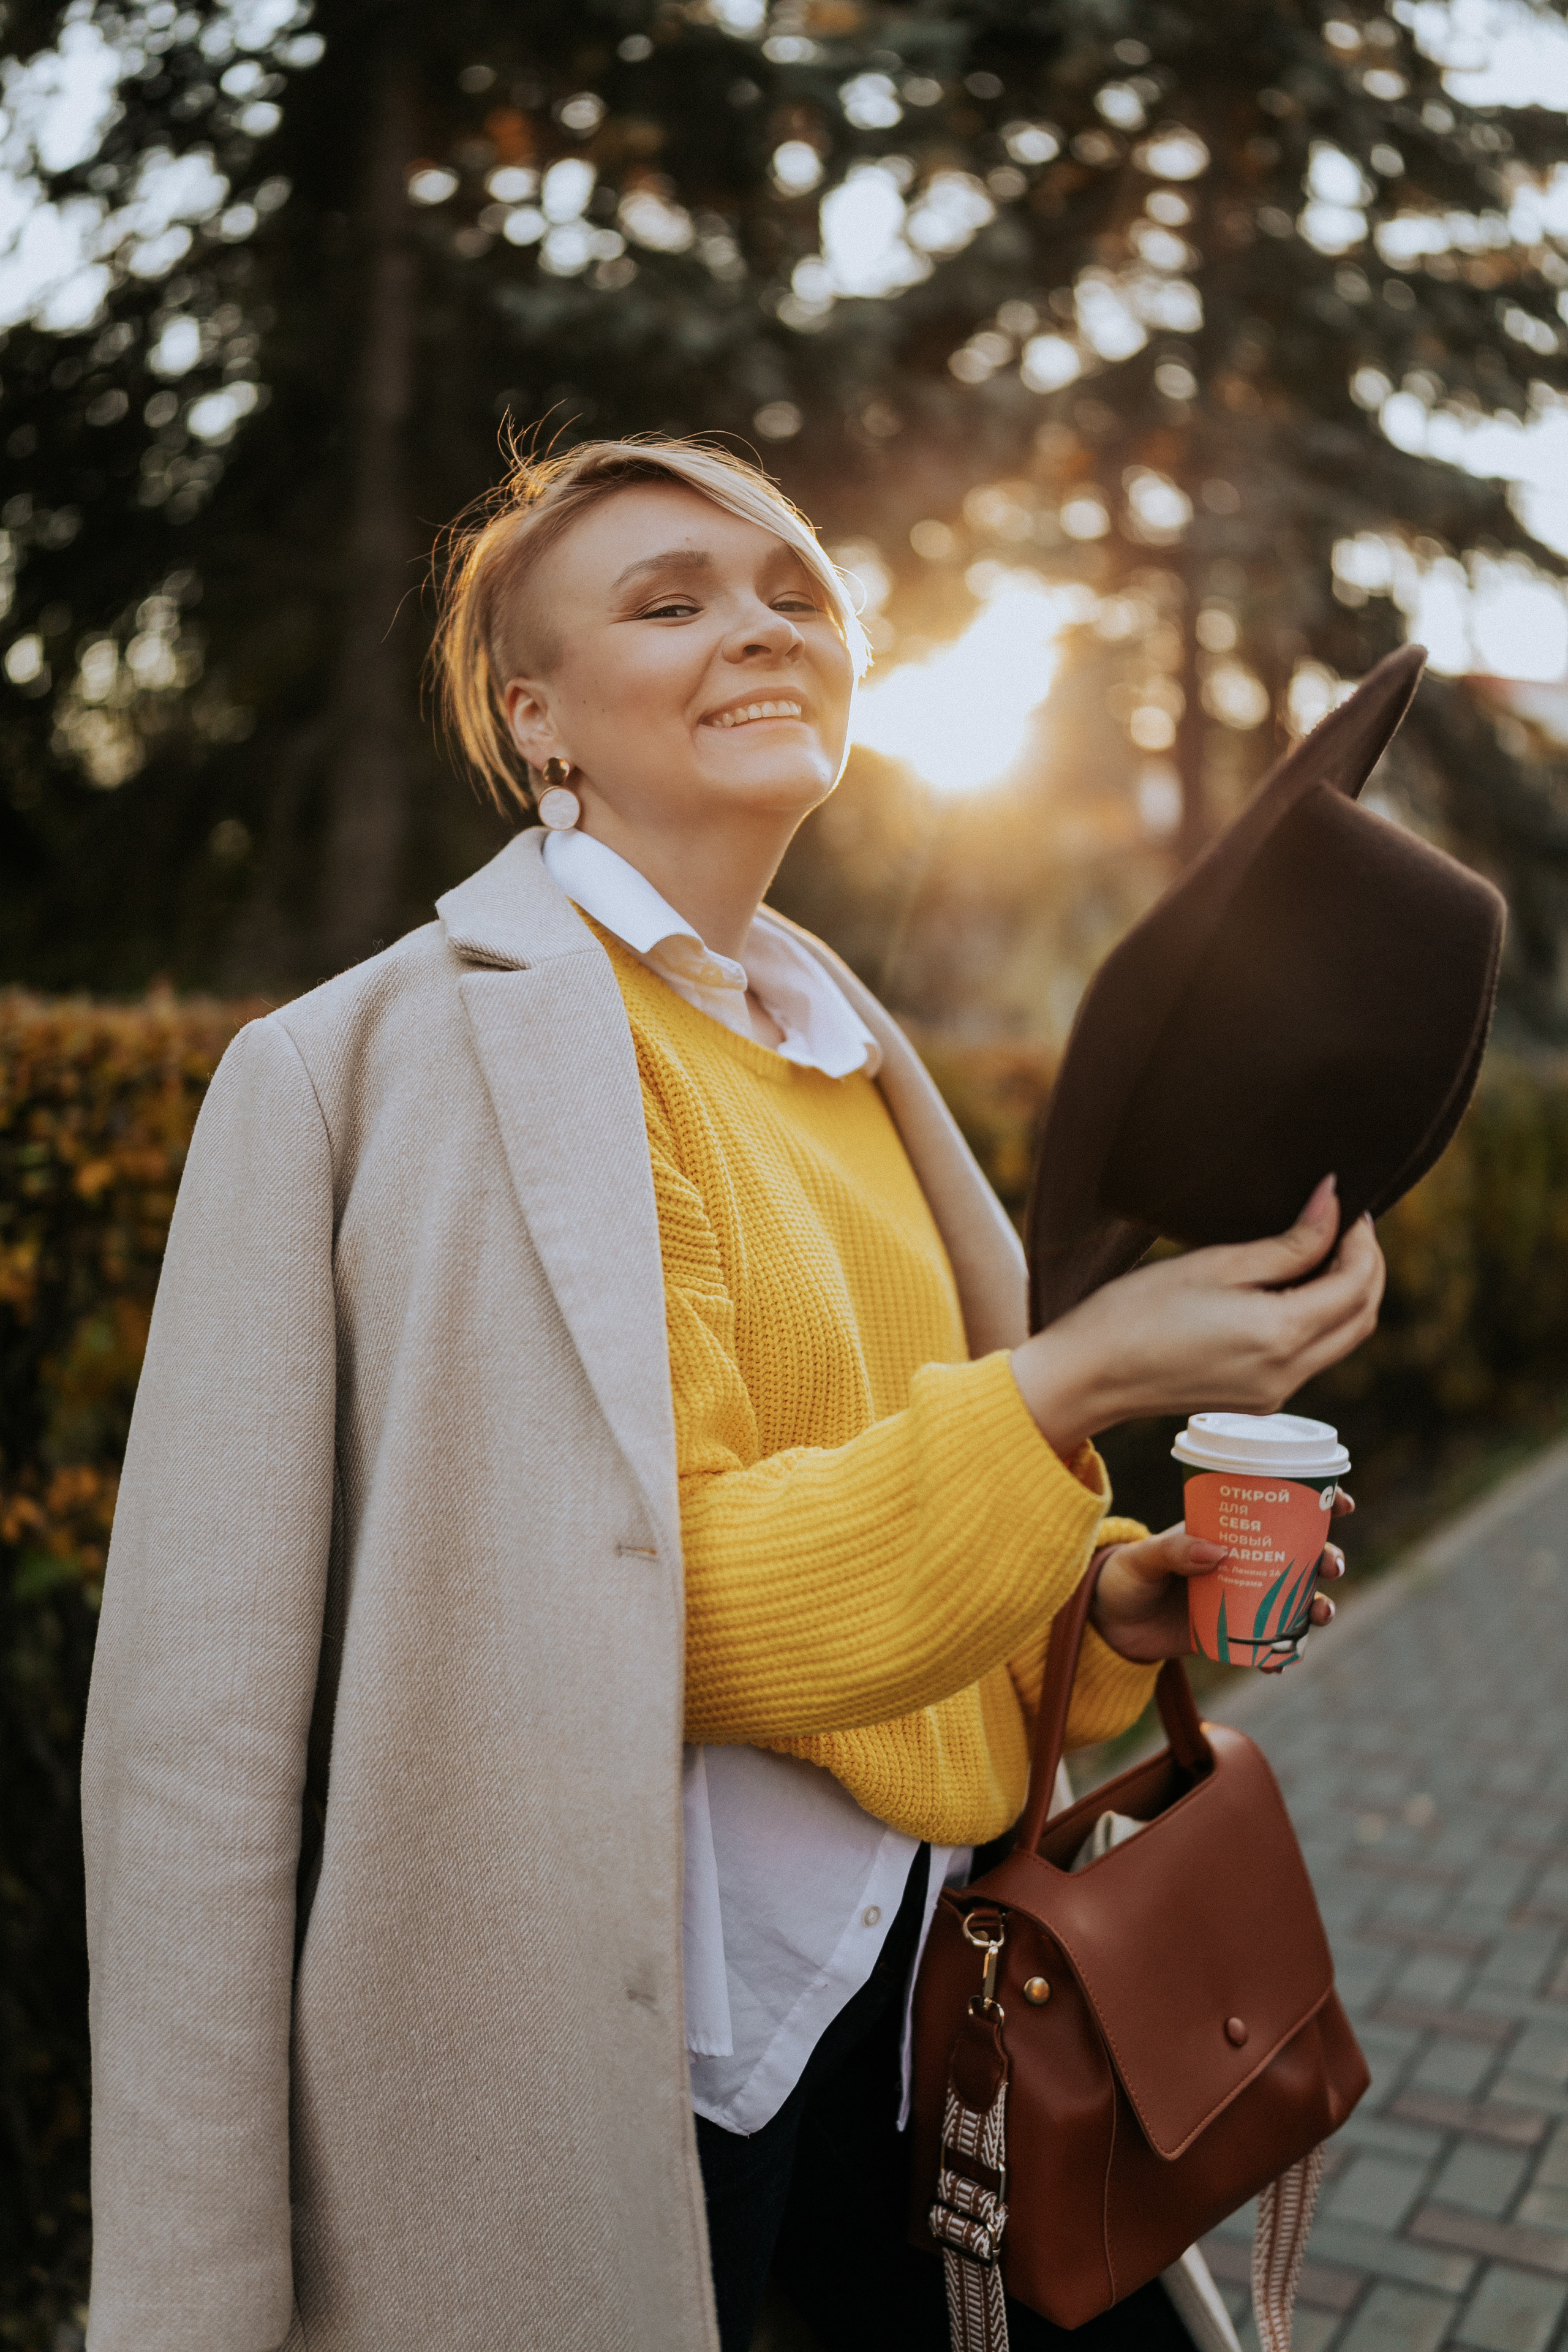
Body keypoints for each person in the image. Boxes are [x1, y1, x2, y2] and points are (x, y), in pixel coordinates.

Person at [81, 437, 1383, 2352]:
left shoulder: (844, 1052)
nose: (764, 628)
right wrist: (1084, 1375)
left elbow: (889, 1517)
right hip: (615, 2058)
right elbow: (261, 1723)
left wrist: (1106, 1601)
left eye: (795, 594)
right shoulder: (354, 1071)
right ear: (536, 716)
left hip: (920, 1975)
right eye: (672, 601)